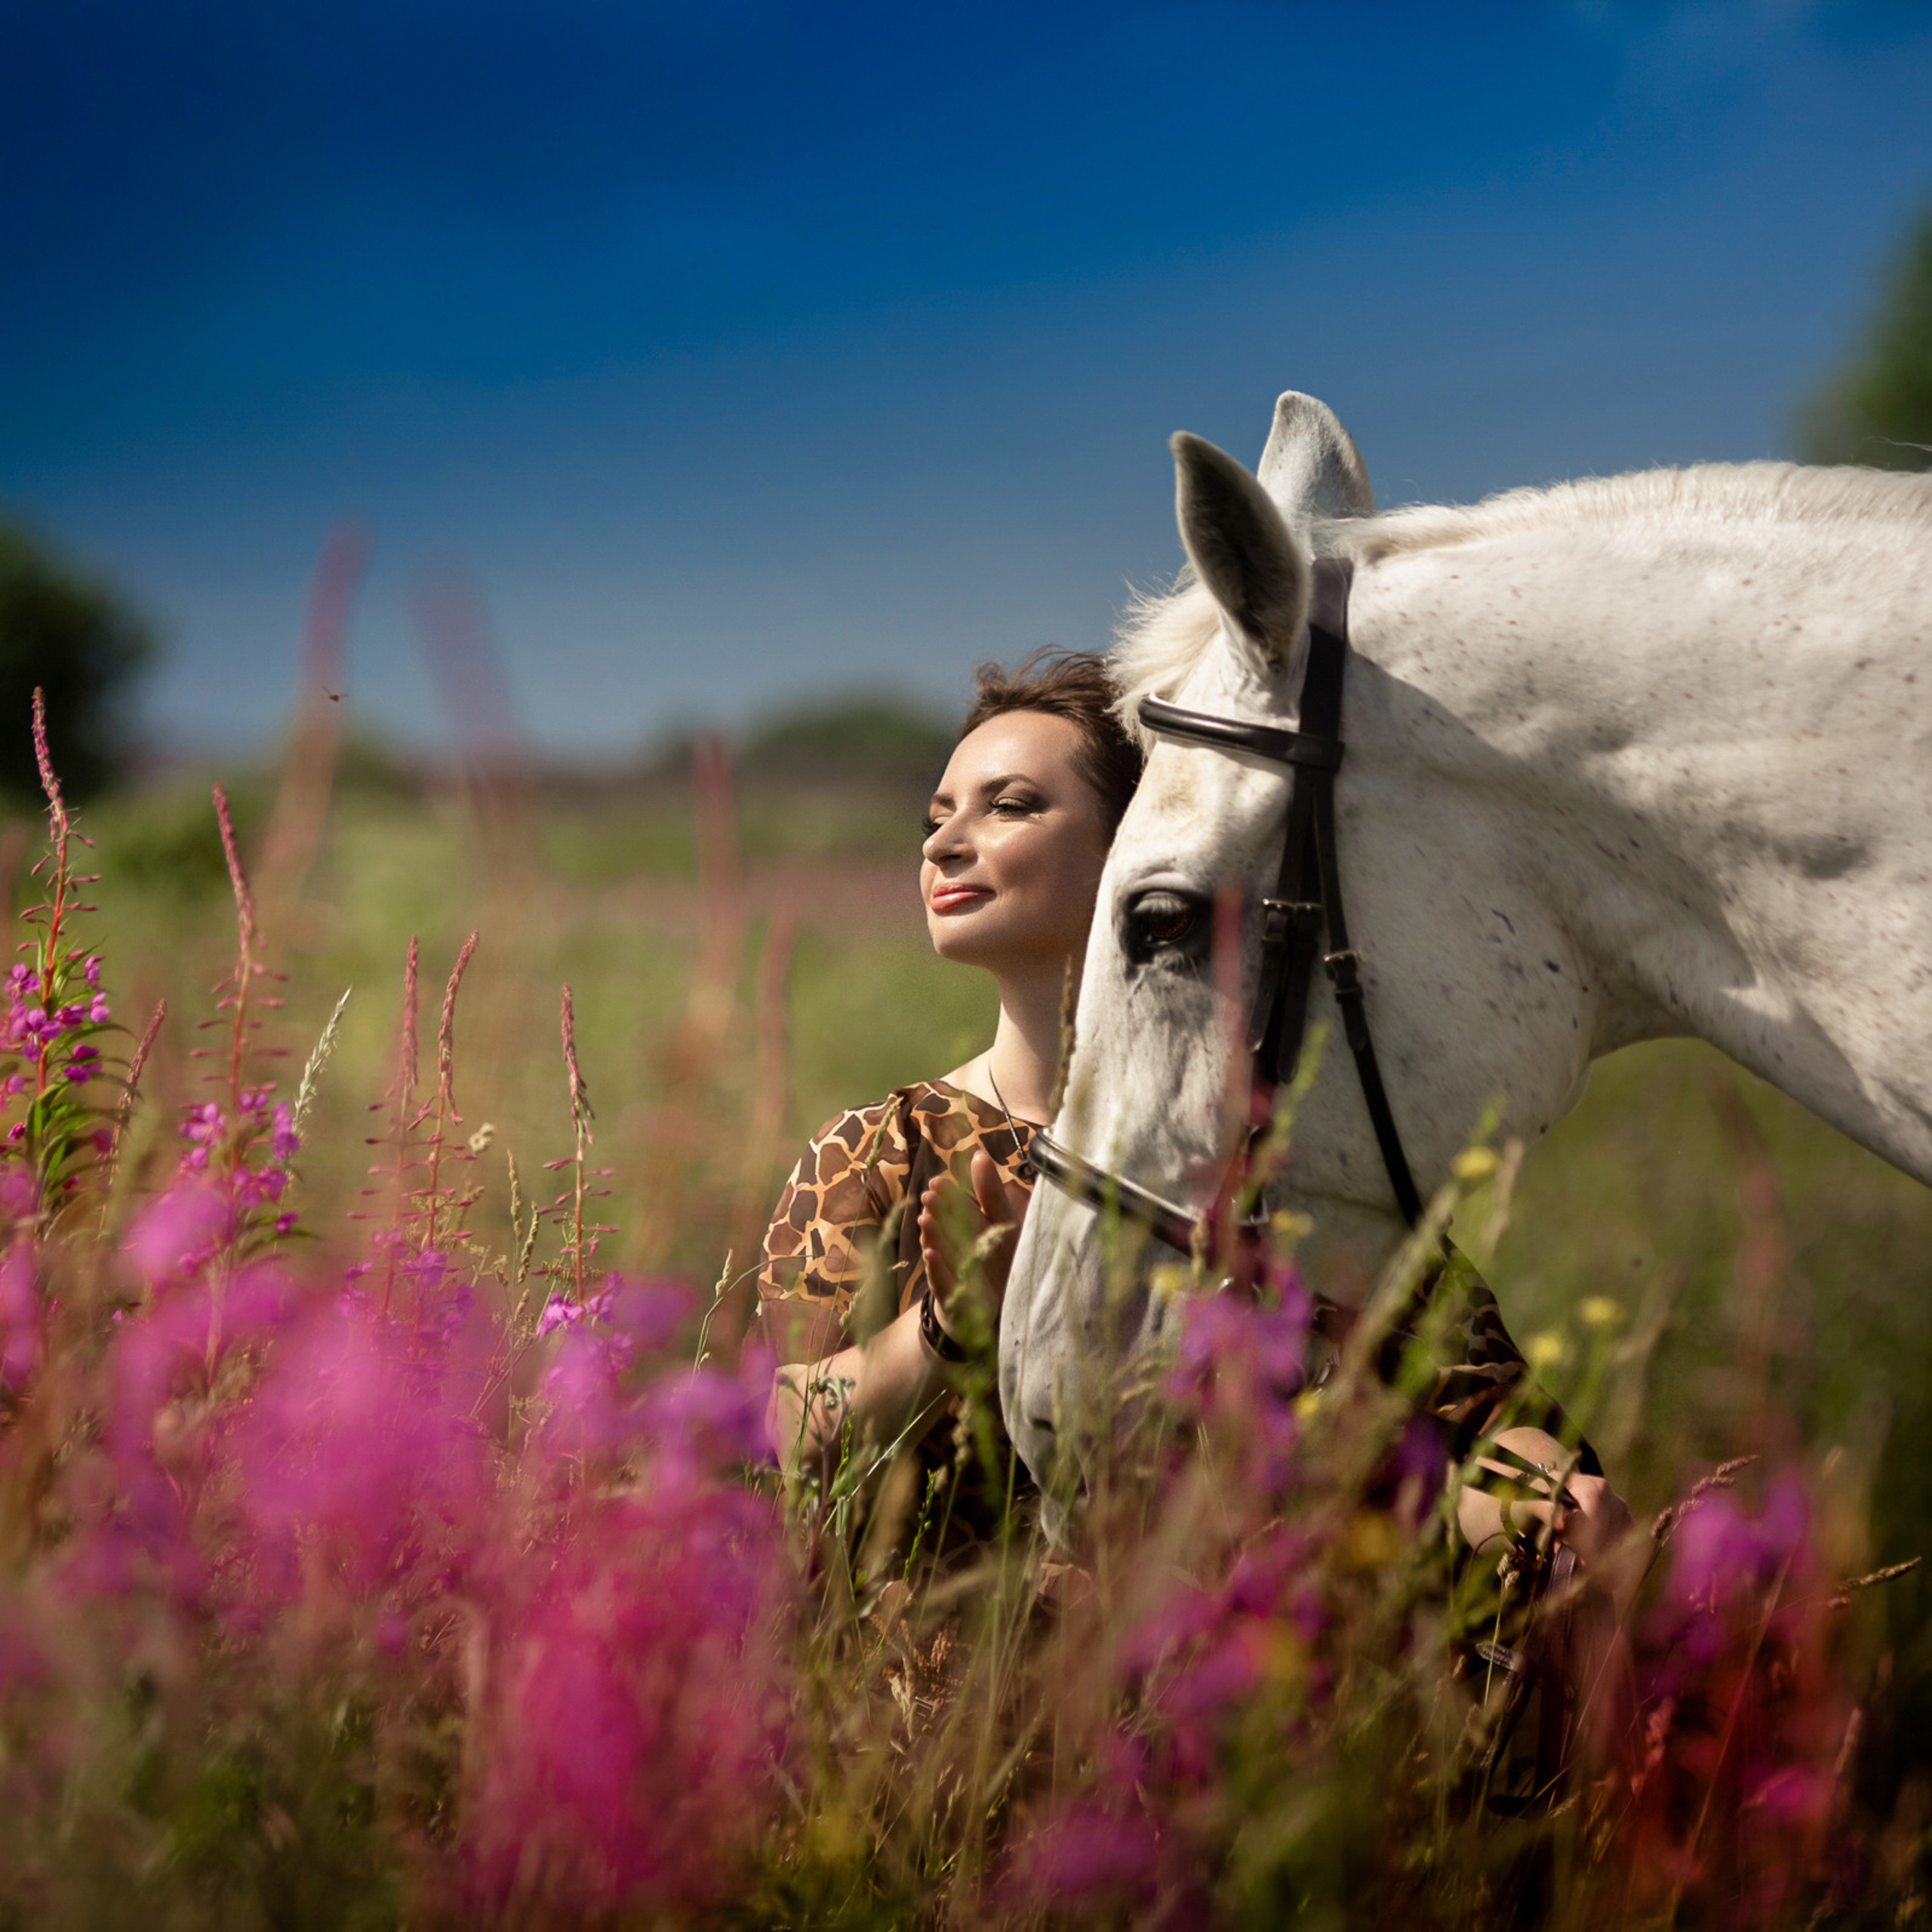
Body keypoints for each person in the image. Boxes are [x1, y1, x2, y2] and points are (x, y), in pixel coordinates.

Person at [756, 650, 1629, 1569]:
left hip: (1243, 1699)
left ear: (1140, 842)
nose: (941, 843)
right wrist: (946, 1331)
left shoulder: (1293, 1168)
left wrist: (1533, 1501)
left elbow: (1488, 1428)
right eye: (937, 817)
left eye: (1007, 805)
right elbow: (780, 1432)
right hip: (941, 1706)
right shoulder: (884, 1148)